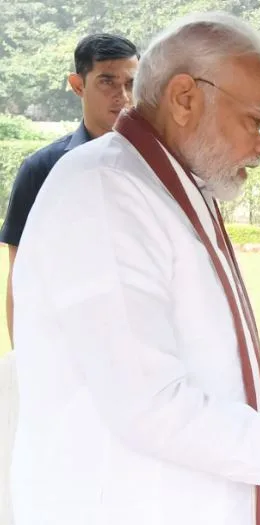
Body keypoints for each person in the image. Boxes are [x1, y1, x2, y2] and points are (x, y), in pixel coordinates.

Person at [9, 12, 260, 525]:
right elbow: (150, 406)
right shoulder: (105, 189)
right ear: (184, 98)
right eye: (255, 120)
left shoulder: (164, 184)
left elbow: (213, 370)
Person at [0, 33, 139, 344]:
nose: (122, 95)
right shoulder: (41, 170)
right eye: (107, 81)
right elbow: (20, 277)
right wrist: (24, 357)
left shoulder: (157, 168)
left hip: (142, 342)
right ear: (78, 85)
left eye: (131, 83)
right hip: (67, 343)